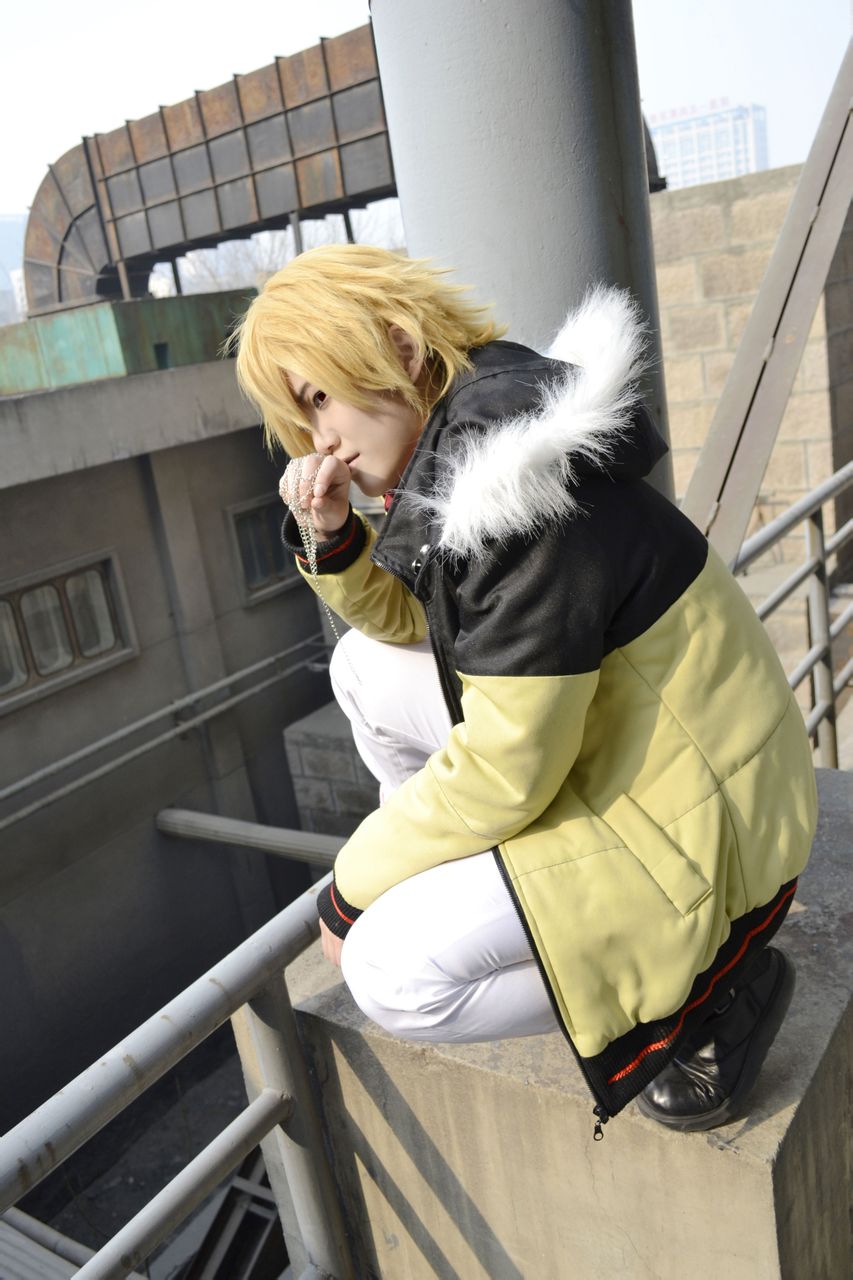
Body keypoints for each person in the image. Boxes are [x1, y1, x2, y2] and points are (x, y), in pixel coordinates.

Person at [232, 244, 817, 1135]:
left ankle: (707, 993)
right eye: (302, 416)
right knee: (359, 668)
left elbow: (508, 770)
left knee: (390, 973)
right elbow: (415, 627)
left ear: (401, 348)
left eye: (319, 398)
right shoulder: (484, 428)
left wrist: (350, 891)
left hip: (703, 826)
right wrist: (333, 535)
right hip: (642, 752)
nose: (321, 442)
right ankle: (464, 875)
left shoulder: (511, 493)